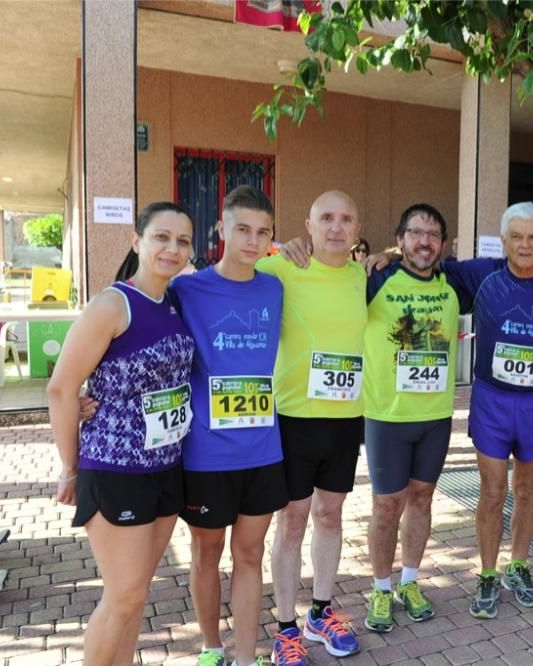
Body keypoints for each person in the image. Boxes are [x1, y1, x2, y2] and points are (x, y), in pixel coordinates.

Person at [47, 202, 196, 665]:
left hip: (167, 468)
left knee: (135, 596)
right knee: (123, 596)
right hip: (115, 471)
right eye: (161, 237)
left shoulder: (175, 300)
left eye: (183, 241)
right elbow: (62, 388)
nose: (172, 249)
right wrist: (70, 468)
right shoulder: (112, 305)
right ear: (138, 242)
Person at [443, 203, 533, 620]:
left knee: (527, 488)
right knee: (492, 491)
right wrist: (381, 258)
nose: (525, 245)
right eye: (516, 237)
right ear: (503, 242)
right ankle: (486, 572)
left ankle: (517, 566)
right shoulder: (481, 275)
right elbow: (425, 261)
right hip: (492, 401)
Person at [172, 186, 286, 666]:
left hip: (263, 449)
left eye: (263, 232)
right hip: (206, 452)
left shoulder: (276, 285)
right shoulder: (186, 288)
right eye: (242, 229)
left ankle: (244, 656)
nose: (252, 241)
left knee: (250, 554)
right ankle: (210, 648)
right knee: (207, 551)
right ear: (222, 229)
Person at [258, 191, 367, 663]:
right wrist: (274, 248)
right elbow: (224, 280)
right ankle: (285, 628)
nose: (336, 227)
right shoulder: (283, 268)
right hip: (293, 419)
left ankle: (320, 613)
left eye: (346, 219)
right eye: (326, 218)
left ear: (358, 229)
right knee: (292, 521)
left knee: (330, 516)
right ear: (309, 224)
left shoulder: (367, 276)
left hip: (345, 421)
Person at [357, 204, 472, 634]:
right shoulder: (377, 277)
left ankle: (409, 582)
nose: (425, 241)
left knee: (422, 499)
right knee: (387, 506)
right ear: (400, 238)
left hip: (435, 417)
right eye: (416, 233)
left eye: (433, 234)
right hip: (387, 417)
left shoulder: (453, 280)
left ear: (442, 243)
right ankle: (381, 588)